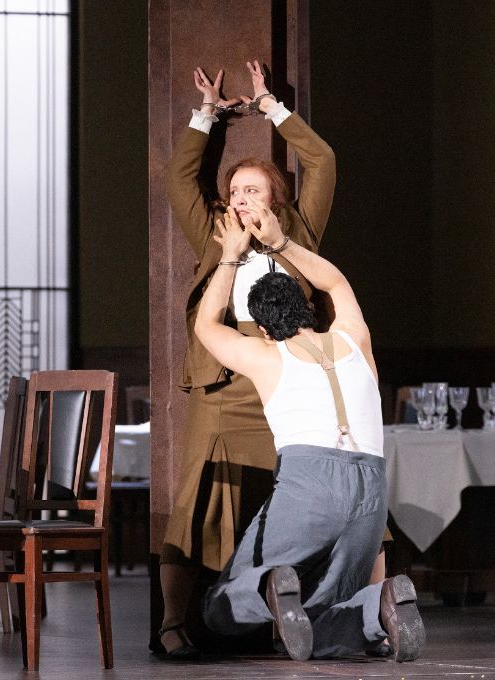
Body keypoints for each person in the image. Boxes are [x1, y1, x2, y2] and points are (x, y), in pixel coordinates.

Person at [156, 60, 336, 658]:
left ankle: (291, 616)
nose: (240, 200)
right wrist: (206, 115)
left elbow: (323, 161)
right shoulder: (213, 232)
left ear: (275, 199)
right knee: (195, 501)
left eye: (252, 191)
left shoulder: (299, 231)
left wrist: (271, 108)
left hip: (287, 382)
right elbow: (180, 177)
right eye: (234, 193)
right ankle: (173, 621)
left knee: (292, 498)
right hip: (223, 382)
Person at [194, 199, 424, 661]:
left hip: (309, 485)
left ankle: (267, 586)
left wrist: (232, 254)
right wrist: (279, 241)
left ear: (262, 328)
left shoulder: (266, 356)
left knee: (218, 607)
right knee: (318, 611)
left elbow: (205, 324)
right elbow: (335, 281)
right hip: (371, 495)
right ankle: (377, 609)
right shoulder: (354, 338)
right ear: (306, 309)